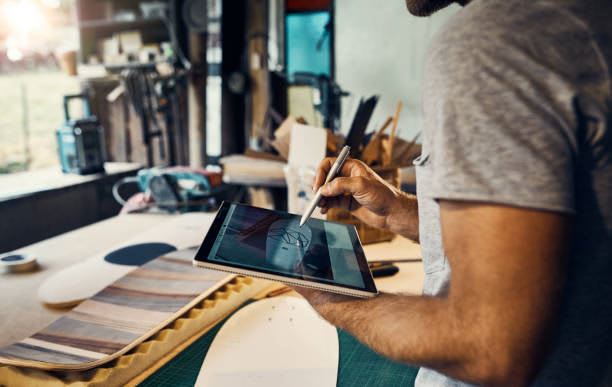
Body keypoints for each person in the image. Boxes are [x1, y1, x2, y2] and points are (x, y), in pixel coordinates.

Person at [293, 0, 612, 385]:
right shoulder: (585, 17)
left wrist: (334, 299)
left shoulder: (495, 40)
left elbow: (487, 346)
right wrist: (396, 211)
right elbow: (553, 246)